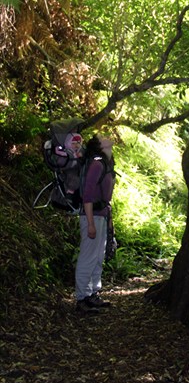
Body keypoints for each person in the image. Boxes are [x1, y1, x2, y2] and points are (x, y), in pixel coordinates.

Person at [75, 135, 115, 314]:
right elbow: (88, 195)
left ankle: (92, 294)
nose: (108, 137)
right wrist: (90, 222)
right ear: (99, 146)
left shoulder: (106, 163)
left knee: (98, 257)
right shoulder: (97, 164)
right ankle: (81, 298)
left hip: (101, 217)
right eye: (103, 137)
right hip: (92, 217)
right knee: (88, 257)